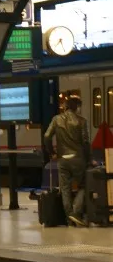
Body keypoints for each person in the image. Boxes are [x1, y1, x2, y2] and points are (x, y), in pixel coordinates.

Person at [44, 96, 91, 226]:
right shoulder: (82, 121)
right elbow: (86, 142)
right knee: (84, 185)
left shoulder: (56, 119)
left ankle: (69, 218)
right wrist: (89, 159)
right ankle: (76, 212)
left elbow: (47, 136)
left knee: (65, 189)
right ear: (77, 107)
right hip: (78, 159)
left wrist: (52, 153)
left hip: (63, 159)